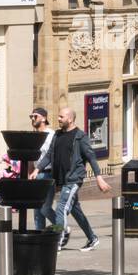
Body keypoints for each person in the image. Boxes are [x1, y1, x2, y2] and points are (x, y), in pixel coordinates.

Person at [37, 107, 111, 251]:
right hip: (60, 178)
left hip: (73, 179)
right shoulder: (57, 135)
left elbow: (91, 157)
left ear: (70, 119)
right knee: (76, 210)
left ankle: (57, 241)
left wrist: (99, 178)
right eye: (58, 116)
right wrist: (37, 169)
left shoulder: (80, 136)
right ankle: (92, 238)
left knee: (61, 208)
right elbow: (49, 155)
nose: (58, 119)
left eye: (61, 117)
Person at [29, 107, 55, 231]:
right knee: (37, 211)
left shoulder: (51, 135)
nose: (33, 119)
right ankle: (40, 237)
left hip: (48, 175)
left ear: (44, 118)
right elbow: (30, 158)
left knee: (45, 208)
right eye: (31, 117)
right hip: (35, 176)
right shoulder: (33, 136)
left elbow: (53, 156)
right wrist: (29, 174)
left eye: (35, 116)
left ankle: (63, 227)